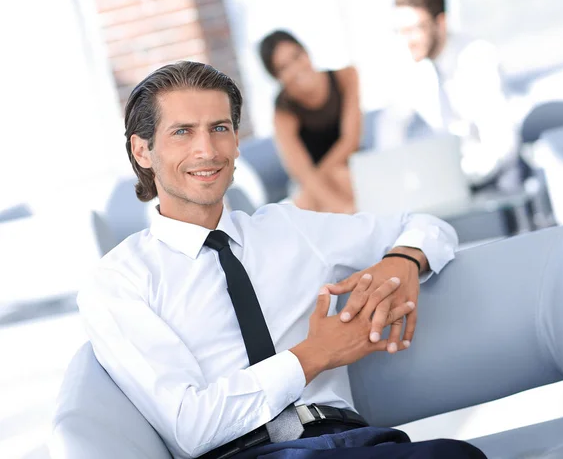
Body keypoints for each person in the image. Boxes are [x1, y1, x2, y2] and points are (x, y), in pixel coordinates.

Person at [77, 61, 486, 458]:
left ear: (237, 142)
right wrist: (314, 354)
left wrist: (403, 261)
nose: (206, 149)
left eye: (220, 128)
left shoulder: (289, 229)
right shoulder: (120, 280)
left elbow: (428, 225)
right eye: (182, 132)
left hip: (348, 438)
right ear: (142, 151)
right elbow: (190, 426)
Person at [377, 0, 520, 192]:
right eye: (401, 31)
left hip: (494, 183)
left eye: (415, 29)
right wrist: (398, 175)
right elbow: (390, 128)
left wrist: (455, 177)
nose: (407, 40)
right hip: (446, 183)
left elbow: (501, 145)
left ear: (440, 23)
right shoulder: (411, 66)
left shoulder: (477, 58)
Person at [259, 30, 360, 213]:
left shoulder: (346, 76)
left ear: (306, 52)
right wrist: (343, 209)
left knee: (341, 176)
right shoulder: (284, 110)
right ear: (277, 77)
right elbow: (300, 170)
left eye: (296, 56)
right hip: (309, 182)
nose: (296, 68)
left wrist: (317, 181)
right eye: (283, 67)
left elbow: (350, 141)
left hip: (350, 169)